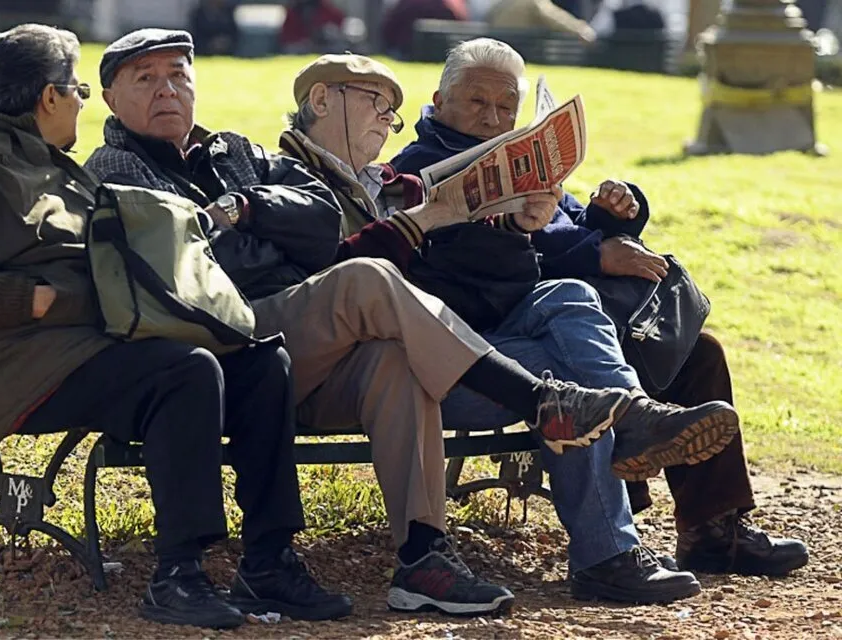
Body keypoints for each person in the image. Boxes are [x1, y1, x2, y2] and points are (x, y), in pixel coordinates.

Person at [85, 28, 743, 611]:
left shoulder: (234, 153)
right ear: (111, 97)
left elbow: (314, 227)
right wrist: (258, 224)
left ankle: (427, 556)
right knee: (373, 278)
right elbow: (216, 261)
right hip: (227, 347)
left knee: (460, 341)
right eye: (147, 78)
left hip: (332, 345)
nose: (168, 90)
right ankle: (564, 413)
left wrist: (248, 212)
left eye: (179, 75)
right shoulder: (120, 165)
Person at [0, 24, 352, 631]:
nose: (82, 104)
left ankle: (270, 561)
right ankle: (178, 573)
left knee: (261, 361)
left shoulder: (50, 164)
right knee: (186, 372)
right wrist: (36, 299)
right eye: (78, 90)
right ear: (49, 96)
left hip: (88, 346)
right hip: (14, 364)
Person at [391, 37, 809, 578]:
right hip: (491, 335)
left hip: (560, 321)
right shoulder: (420, 170)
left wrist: (612, 215)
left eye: (505, 106)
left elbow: (564, 222)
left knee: (697, 355)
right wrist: (593, 253)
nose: (492, 118)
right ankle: (617, 509)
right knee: (576, 332)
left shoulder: (517, 155)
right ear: (439, 100)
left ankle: (713, 531)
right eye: (477, 102)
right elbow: (481, 259)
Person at [487, 0, 597, 43]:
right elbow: (555, 17)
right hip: (526, 49)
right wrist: (580, 29)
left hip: (504, 48)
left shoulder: (500, 4)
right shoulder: (534, 2)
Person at [279, 0, 346, 54]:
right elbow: (287, 36)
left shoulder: (324, 8)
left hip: (324, 45)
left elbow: (339, 21)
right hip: (300, 46)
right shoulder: (294, 11)